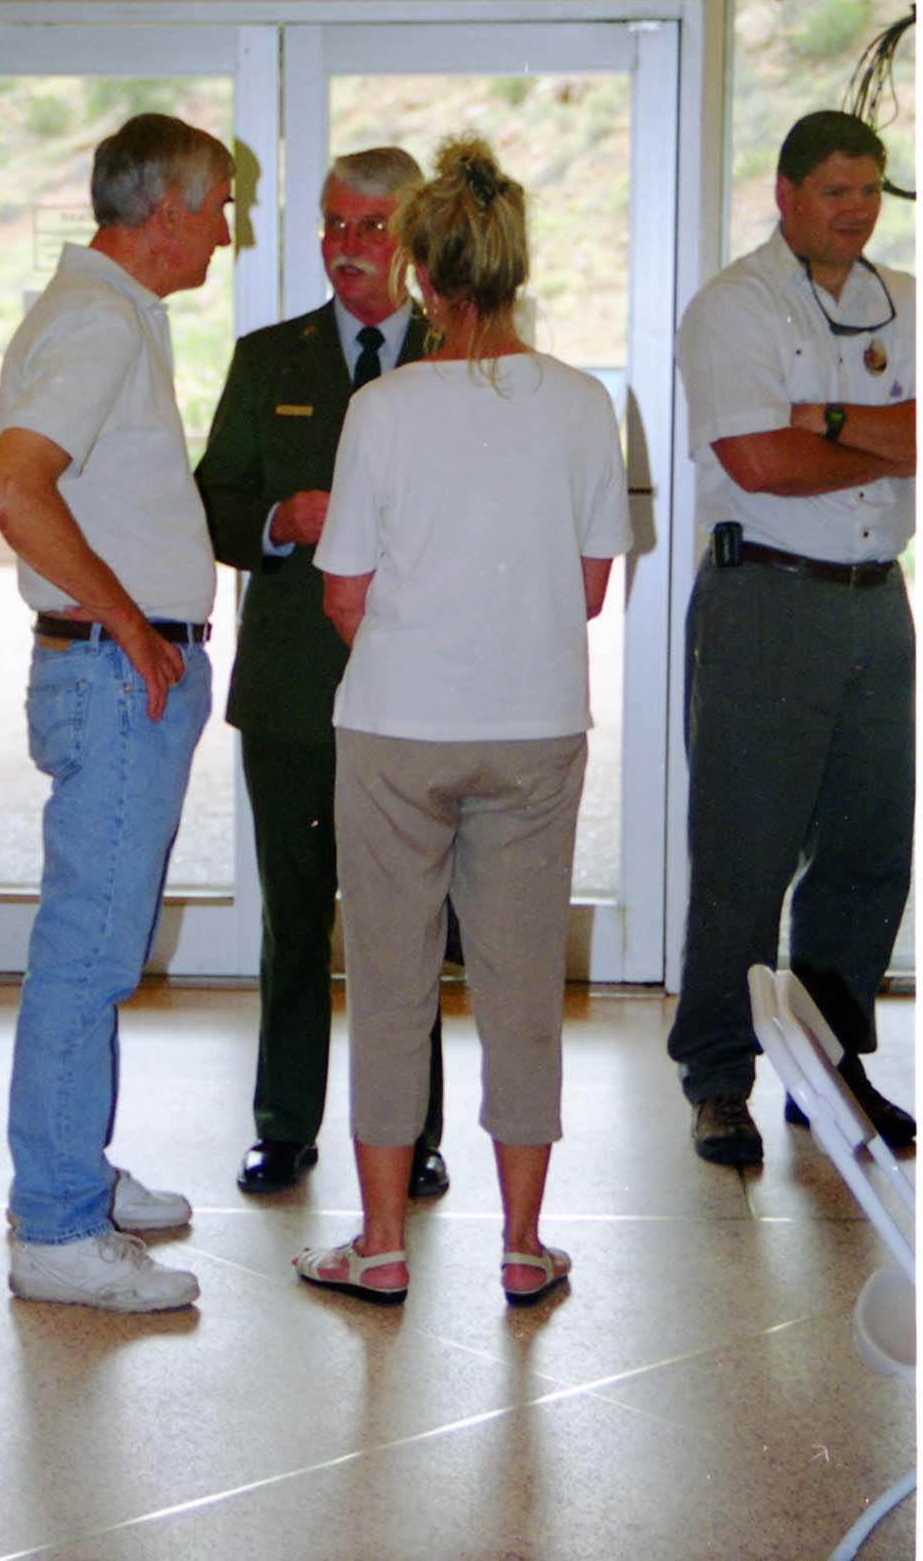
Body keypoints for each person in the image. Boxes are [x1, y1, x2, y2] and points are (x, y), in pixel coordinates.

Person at [293, 136, 632, 1305]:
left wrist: (411, 655)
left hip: (396, 729)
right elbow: (590, 590)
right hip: (537, 727)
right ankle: (524, 1247)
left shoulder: (383, 409)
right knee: (521, 987)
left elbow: (344, 592)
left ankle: (381, 1246)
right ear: (512, 270)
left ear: (424, 281)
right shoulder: (588, 407)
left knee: (388, 985)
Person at [0, 113, 234, 1311]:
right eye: (219, 205)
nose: (226, 231)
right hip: (114, 673)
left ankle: (73, 1167)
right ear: (164, 210)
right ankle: (58, 1227)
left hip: (117, 673)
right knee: (88, 953)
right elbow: (10, 487)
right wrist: (131, 627)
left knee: (101, 943)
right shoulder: (95, 321)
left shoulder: (108, 313)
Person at [197, 147, 449, 1197]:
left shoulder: (462, 354)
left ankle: (416, 1133)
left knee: (410, 920)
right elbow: (208, 503)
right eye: (333, 227)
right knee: (296, 915)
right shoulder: (270, 358)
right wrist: (276, 521)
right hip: (297, 686)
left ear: (417, 238)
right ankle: (284, 1123)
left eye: (372, 228)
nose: (347, 248)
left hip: (427, 688)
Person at [668, 109, 916, 1167]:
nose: (855, 212)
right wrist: (876, 436)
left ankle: (830, 1065)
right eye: (834, 193)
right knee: (746, 855)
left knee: (869, 849)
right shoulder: (735, 305)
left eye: (869, 192)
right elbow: (758, 466)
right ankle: (720, 1075)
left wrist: (817, 417)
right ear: (785, 194)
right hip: (766, 597)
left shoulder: (901, 301)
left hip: (875, 601)